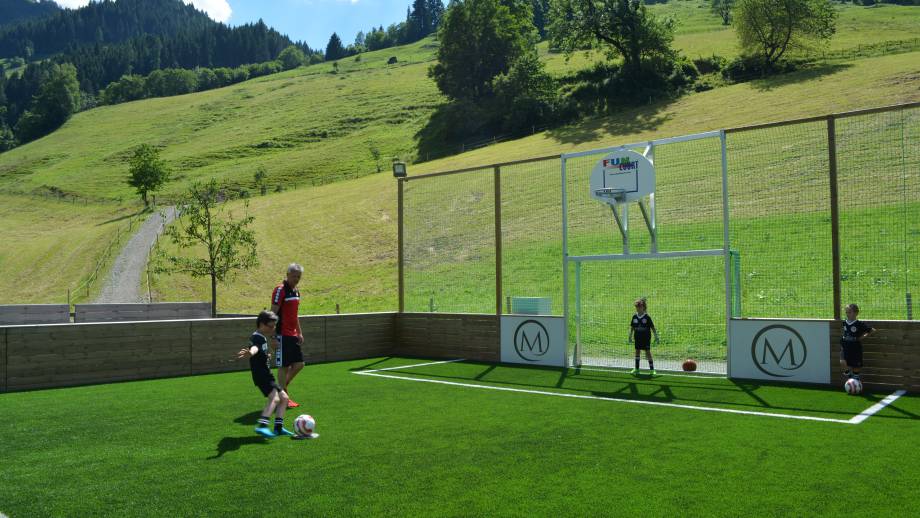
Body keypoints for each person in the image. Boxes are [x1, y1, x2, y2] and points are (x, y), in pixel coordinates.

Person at [237, 310, 294, 438]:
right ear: (261, 324)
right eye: (271, 326)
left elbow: (260, 350)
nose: (273, 328)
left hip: (267, 374)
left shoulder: (261, 336)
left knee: (284, 398)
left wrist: (267, 354)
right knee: (275, 398)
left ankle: (278, 428)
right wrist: (251, 353)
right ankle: (262, 426)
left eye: (274, 326)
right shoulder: (257, 337)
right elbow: (255, 348)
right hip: (261, 375)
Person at [271, 263, 305, 408]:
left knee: (299, 364)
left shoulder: (296, 292)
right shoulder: (280, 290)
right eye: (294, 276)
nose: (296, 279)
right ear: (288, 274)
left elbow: (295, 315)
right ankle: (283, 392)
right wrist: (272, 336)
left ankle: (281, 389)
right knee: (283, 366)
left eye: (299, 276)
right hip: (281, 334)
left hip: (293, 334)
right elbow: (273, 314)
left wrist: (300, 332)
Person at [840, 303, 874, 381]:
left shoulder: (859, 324)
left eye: (849, 312)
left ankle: (855, 380)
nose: (847, 314)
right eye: (846, 312)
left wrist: (861, 337)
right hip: (845, 346)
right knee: (842, 362)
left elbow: (872, 330)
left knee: (856, 366)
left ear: (856, 313)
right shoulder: (844, 322)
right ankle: (849, 375)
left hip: (855, 347)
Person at [628, 298, 660, 376]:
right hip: (637, 338)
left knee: (648, 352)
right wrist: (630, 336)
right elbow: (632, 327)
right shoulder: (634, 317)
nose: (638, 308)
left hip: (646, 338)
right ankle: (637, 369)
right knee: (637, 351)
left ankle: (652, 370)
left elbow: (652, 327)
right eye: (637, 307)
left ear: (643, 307)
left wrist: (656, 336)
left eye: (639, 307)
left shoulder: (647, 317)